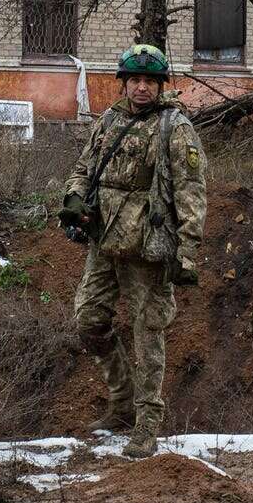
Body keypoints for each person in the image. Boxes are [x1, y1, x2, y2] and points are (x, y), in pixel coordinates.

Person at [58, 44, 208, 459]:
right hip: (103, 239)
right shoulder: (108, 121)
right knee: (88, 320)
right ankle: (122, 400)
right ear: (124, 83)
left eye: (150, 81)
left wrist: (188, 250)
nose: (142, 88)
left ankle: (147, 423)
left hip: (149, 245)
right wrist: (74, 198)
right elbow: (84, 168)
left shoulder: (175, 128)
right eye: (135, 80)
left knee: (149, 335)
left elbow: (191, 192)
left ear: (161, 86)